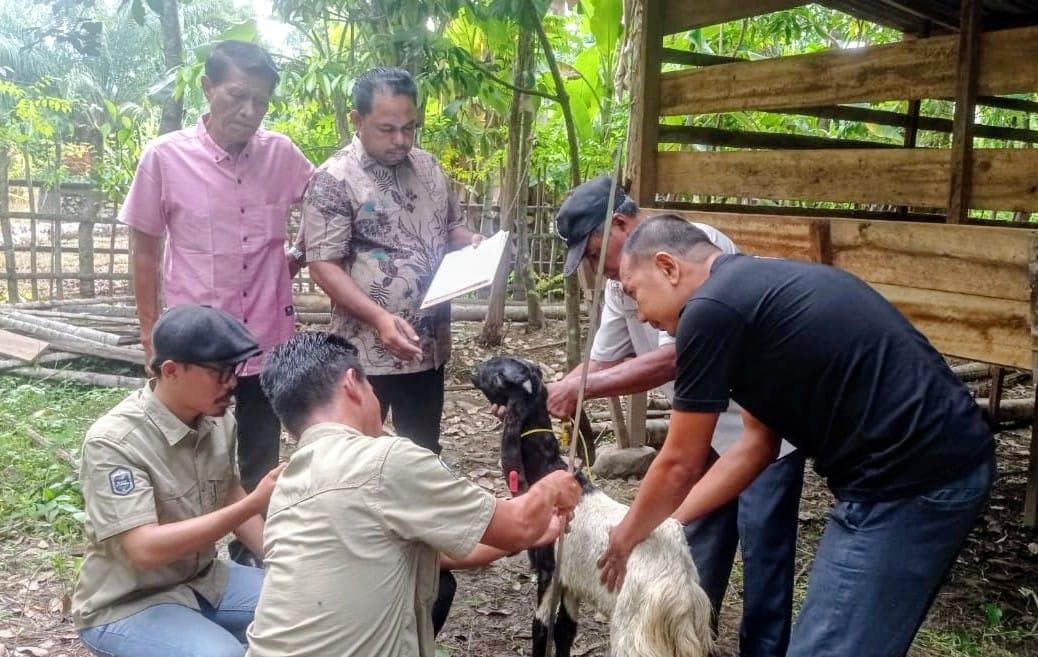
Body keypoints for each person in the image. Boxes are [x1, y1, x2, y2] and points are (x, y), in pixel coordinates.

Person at [598, 216, 995, 657]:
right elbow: (755, 446)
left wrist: (625, 536)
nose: (639, 314)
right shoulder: (749, 293)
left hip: (912, 480)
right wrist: (671, 525)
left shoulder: (710, 311)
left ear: (668, 267)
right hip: (931, 465)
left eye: (634, 292)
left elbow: (679, 463)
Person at [550, 176, 805, 657]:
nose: (594, 268)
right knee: (689, 545)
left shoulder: (695, 249)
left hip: (758, 431)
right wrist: (557, 388)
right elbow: (602, 359)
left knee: (764, 556)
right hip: (704, 433)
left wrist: (583, 386)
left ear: (621, 225)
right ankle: (687, 642)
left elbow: (677, 358)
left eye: (591, 252)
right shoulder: (622, 283)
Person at [245, 331, 581, 656]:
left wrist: (527, 533)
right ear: (352, 383)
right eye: (371, 386)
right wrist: (554, 484)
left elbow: (442, 554)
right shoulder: (385, 459)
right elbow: (518, 523)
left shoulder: (288, 485)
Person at [120, 41, 314, 565]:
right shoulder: (165, 157)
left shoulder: (282, 155)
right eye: (237, 96)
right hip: (199, 347)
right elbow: (144, 247)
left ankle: (254, 560)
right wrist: (148, 331)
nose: (249, 112)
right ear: (208, 89)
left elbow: (326, 205)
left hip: (267, 335)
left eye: (261, 101)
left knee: (259, 449)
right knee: (188, 451)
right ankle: (185, 555)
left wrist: (296, 254)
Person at [72, 305, 286, 657]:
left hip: (203, 581)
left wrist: (278, 558)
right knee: (224, 655)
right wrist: (255, 501)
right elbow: (145, 549)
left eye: (235, 370)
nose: (232, 383)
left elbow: (230, 492)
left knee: (306, 603)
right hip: (128, 603)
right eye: (220, 372)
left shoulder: (218, 421)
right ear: (170, 371)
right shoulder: (114, 442)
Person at [303, 66, 482, 455]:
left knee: (421, 452)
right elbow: (323, 264)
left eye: (410, 127)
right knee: (361, 456)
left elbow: (450, 228)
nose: (401, 140)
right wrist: (380, 318)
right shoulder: (333, 179)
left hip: (428, 346)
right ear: (357, 120)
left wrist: (474, 244)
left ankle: (416, 518)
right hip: (366, 352)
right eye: (387, 129)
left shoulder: (430, 168)